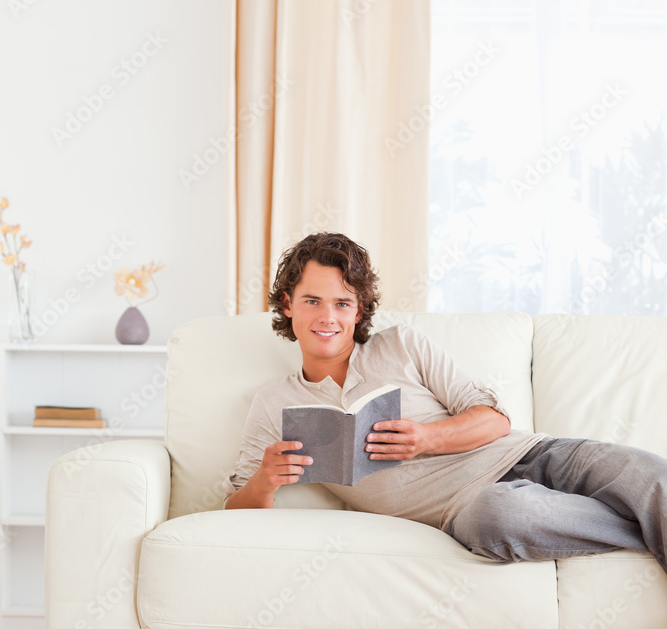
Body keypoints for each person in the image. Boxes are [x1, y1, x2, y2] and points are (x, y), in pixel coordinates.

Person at [223, 232, 667, 576]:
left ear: (358, 311)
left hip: (536, 454)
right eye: (312, 301)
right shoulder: (275, 403)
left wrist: (426, 438)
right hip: (471, 507)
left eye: (342, 303)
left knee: (651, 478)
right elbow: (233, 512)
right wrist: (264, 481)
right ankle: (649, 525)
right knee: (503, 518)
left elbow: (495, 420)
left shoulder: (402, 345)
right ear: (288, 304)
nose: (328, 317)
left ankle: (652, 517)